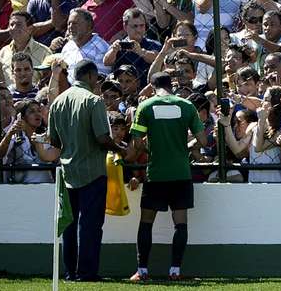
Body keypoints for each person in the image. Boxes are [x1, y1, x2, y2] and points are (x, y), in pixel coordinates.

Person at [47, 59, 126, 282]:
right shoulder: (93, 101)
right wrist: (119, 149)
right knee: (90, 225)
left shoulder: (58, 102)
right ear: (91, 76)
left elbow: (54, 140)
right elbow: (102, 137)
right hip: (92, 171)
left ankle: (70, 271)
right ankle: (87, 272)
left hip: (68, 171)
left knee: (70, 224)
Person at [128, 72, 206, 282]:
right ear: (171, 85)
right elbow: (203, 140)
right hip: (181, 173)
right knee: (180, 224)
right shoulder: (186, 106)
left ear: (152, 86)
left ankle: (142, 271)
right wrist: (185, 147)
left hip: (156, 174)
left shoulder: (145, 107)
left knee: (146, 222)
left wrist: (150, 148)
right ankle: (175, 271)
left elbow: (136, 145)